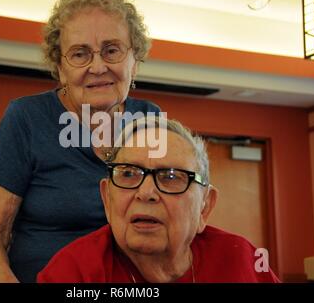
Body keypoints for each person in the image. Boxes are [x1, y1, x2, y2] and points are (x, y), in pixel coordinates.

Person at [0, 0, 160, 283]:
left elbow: (174, 222)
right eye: (80, 54)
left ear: (134, 60)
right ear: (60, 68)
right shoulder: (27, 119)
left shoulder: (150, 120)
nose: (98, 67)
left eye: (111, 50)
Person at [37, 118, 280, 283]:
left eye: (171, 177)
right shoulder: (74, 271)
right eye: (129, 174)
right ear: (107, 200)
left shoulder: (242, 260)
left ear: (204, 206)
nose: (146, 192)